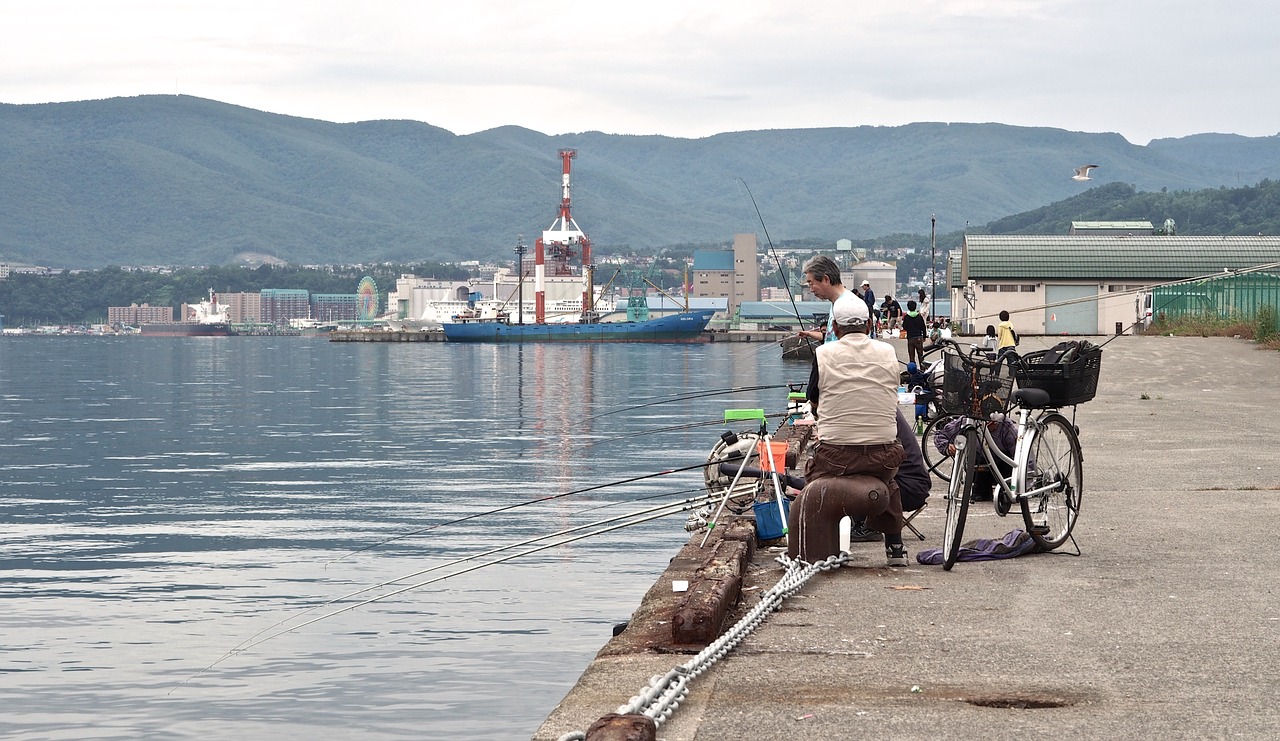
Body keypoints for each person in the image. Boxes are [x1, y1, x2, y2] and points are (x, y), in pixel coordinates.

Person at [800, 292, 908, 566]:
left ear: (835, 328)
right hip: (884, 455)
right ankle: (896, 549)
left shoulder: (823, 353)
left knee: (815, 478)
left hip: (836, 455)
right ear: (870, 325)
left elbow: (813, 398)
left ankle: (822, 547)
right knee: (889, 483)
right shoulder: (888, 352)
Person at [932, 414, 1017, 503]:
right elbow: (941, 434)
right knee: (979, 457)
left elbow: (1021, 457)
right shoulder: (966, 421)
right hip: (978, 467)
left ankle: (1005, 490)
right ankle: (981, 491)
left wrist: (1025, 483)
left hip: (1004, 470)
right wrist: (947, 446)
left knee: (1009, 460)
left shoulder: (1007, 427)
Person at [797, 255, 849, 344]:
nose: (811, 289)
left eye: (811, 283)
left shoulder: (847, 306)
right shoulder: (836, 303)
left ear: (826, 279)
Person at [902, 299, 927, 365]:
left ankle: (913, 370)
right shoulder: (919, 316)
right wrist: (924, 336)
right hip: (918, 337)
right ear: (915, 307)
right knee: (921, 355)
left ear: (908, 307)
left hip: (910, 337)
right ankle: (922, 369)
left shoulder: (907, 317)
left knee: (911, 356)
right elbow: (923, 327)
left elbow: (904, 327)